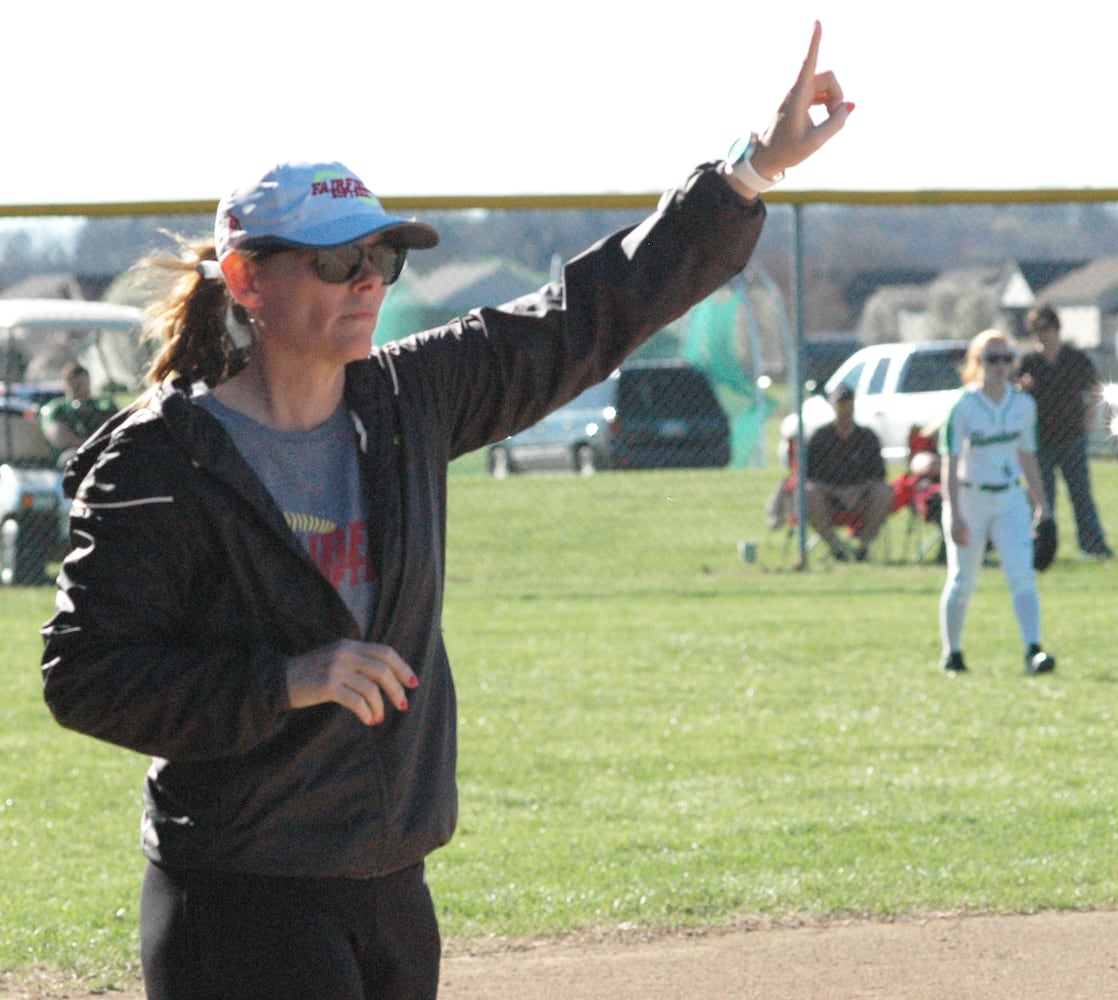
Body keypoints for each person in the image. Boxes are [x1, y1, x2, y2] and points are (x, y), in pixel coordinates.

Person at [38, 23, 851, 1000]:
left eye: (383, 256)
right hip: (240, 887)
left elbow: (584, 314)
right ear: (247, 279)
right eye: (337, 262)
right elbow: (84, 677)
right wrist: (286, 679)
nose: (370, 280)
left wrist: (746, 170)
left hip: (391, 883)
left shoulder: (407, 399)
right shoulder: (161, 459)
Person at [938, 330, 1055, 676]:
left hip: (1008, 497)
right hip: (970, 497)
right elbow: (950, 463)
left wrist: (1042, 506)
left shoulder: (1023, 405)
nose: (1000, 365)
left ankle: (1033, 649)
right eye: (992, 359)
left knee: (1023, 575)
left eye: (1007, 358)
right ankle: (952, 654)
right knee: (962, 579)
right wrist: (955, 513)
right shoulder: (963, 406)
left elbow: (1027, 456)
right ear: (977, 363)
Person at [1016, 303, 1113, 558]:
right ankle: (1040, 547)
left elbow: (1095, 389)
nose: (1040, 333)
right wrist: (1021, 389)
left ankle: (1092, 546)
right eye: (1034, 329)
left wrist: (1089, 420)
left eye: (1044, 327)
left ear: (1056, 327)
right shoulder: (1029, 362)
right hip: (1039, 441)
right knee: (1041, 498)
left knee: (1081, 495)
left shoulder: (1075, 358)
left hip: (1071, 437)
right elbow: (1014, 397)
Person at [803, 383, 894, 561]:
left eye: (849, 405)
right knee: (808, 493)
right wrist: (837, 492)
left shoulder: (867, 437)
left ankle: (863, 548)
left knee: (884, 492)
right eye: (841, 405)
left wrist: (857, 491)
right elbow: (809, 477)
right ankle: (837, 549)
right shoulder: (821, 437)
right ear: (833, 407)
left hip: (861, 496)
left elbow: (879, 476)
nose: (845, 410)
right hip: (828, 497)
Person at [39, 361, 119, 460]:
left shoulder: (104, 406)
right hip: (70, 460)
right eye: (76, 386)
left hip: (103, 453)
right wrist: (95, 443)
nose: (82, 389)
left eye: (84, 384)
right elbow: (61, 440)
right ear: (66, 385)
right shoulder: (56, 409)